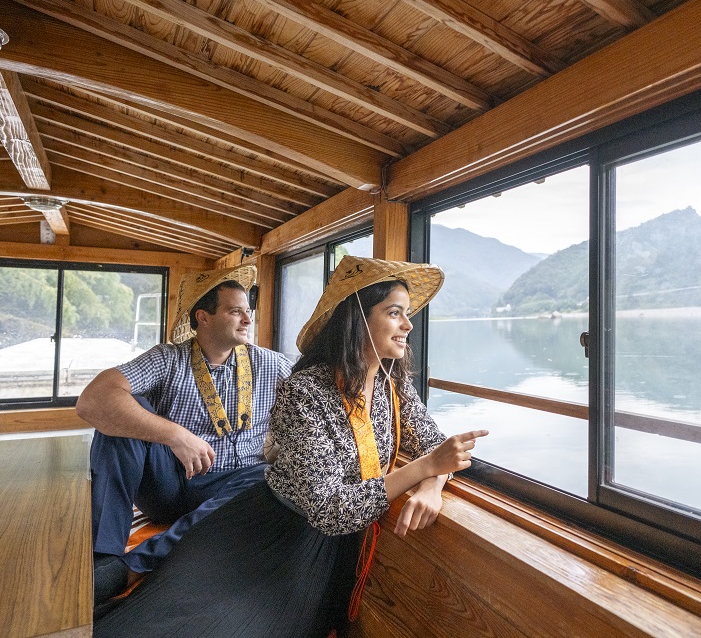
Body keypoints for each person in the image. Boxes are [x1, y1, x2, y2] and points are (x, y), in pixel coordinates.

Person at [94, 256, 487, 637]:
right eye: (394, 312)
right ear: (359, 319)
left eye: (406, 313)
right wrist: (421, 469)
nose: (408, 324)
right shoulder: (301, 389)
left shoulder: (391, 383)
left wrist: (433, 482)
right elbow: (332, 509)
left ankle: (149, 561)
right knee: (187, 617)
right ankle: (107, 563)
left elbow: (436, 447)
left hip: (288, 520)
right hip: (259, 517)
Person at [78, 264, 293, 606]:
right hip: (170, 483)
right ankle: (102, 557)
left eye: (247, 311)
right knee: (121, 414)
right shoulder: (169, 359)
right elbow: (92, 400)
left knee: (268, 475)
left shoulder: (273, 364)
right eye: (235, 311)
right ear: (203, 317)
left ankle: (132, 567)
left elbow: (316, 401)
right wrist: (175, 434)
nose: (247, 320)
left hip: (232, 490)